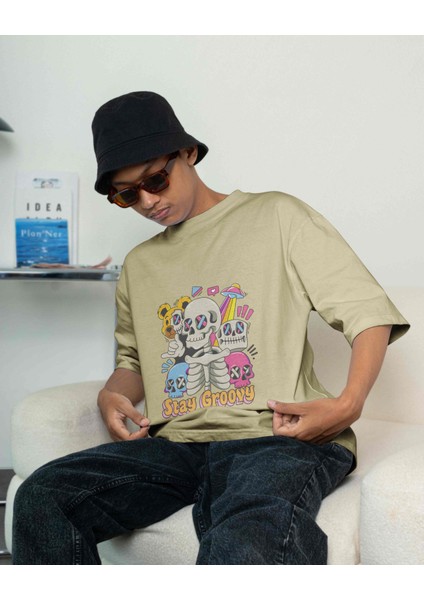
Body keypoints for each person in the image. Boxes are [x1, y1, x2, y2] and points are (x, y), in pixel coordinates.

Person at [12, 91, 409, 565]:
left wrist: (349, 404)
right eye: (127, 194)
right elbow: (135, 360)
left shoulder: (277, 216)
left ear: (188, 153)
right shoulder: (140, 265)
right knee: (44, 497)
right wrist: (111, 394)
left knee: (245, 540)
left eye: (155, 179)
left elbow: (367, 312)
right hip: (175, 447)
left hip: (274, 437)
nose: (148, 201)